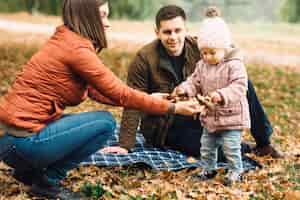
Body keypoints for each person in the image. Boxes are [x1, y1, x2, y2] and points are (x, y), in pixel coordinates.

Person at [0, 0, 199, 199]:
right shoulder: (77, 50)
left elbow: (98, 91)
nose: (107, 23)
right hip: (22, 143)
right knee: (105, 123)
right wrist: (174, 108)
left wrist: (148, 98)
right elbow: (121, 93)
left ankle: (28, 172)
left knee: (87, 123)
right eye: (103, 15)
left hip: (14, 141)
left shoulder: (67, 40)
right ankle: (48, 182)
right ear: (88, 16)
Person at [102, 5, 282, 158]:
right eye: (167, 32)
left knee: (244, 83)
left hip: (201, 112)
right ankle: (242, 147)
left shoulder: (201, 48)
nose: (173, 37)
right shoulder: (143, 59)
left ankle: (263, 142)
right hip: (167, 124)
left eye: (177, 30)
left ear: (186, 29)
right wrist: (125, 145)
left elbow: (229, 56)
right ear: (157, 33)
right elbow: (133, 100)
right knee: (213, 151)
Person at [174, 7, 249, 185]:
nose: (207, 57)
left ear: (224, 48)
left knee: (231, 148)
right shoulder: (202, 65)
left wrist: (221, 95)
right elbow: (194, 81)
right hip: (210, 118)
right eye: (204, 52)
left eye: (212, 52)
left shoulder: (234, 65)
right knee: (206, 147)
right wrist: (185, 89)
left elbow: (239, 86)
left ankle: (236, 170)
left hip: (231, 117)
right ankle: (208, 168)